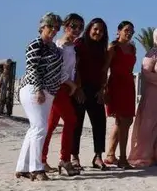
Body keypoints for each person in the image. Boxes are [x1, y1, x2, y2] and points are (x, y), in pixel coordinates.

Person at [15, 13, 64, 181]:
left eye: (57, 27)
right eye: (51, 26)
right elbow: (31, 68)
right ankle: (36, 168)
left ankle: (23, 167)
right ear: (42, 27)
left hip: (49, 92)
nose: (54, 30)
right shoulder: (36, 44)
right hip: (33, 89)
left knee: (34, 129)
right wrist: (38, 89)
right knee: (40, 128)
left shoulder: (54, 48)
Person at [42, 13, 83, 176]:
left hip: (67, 89)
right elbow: (56, 70)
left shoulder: (73, 46)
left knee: (50, 125)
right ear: (65, 27)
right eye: (73, 26)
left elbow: (71, 69)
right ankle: (64, 159)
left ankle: (42, 159)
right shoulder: (59, 45)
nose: (77, 30)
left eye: (80, 27)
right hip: (58, 88)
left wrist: (74, 85)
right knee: (71, 120)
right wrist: (70, 83)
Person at [129, 27, 157, 167]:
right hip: (154, 95)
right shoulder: (152, 54)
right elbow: (146, 73)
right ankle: (145, 155)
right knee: (150, 125)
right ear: (155, 39)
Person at [72, 18, 109, 171]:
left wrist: (102, 89)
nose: (98, 33)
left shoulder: (102, 48)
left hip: (96, 90)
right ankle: (74, 156)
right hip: (79, 89)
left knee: (100, 123)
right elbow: (75, 67)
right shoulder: (79, 44)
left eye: (101, 31)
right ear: (89, 29)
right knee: (76, 124)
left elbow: (103, 70)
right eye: (95, 29)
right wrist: (78, 88)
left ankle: (98, 156)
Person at [105, 21, 137, 169]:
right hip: (116, 85)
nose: (129, 33)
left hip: (129, 84)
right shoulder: (113, 48)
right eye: (126, 30)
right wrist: (104, 89)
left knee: (127, 120)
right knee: (121, 121)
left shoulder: (132, 48)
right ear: (118, 31)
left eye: (131, 31)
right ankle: (122, 158)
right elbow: (105, 68)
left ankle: (111, 154)